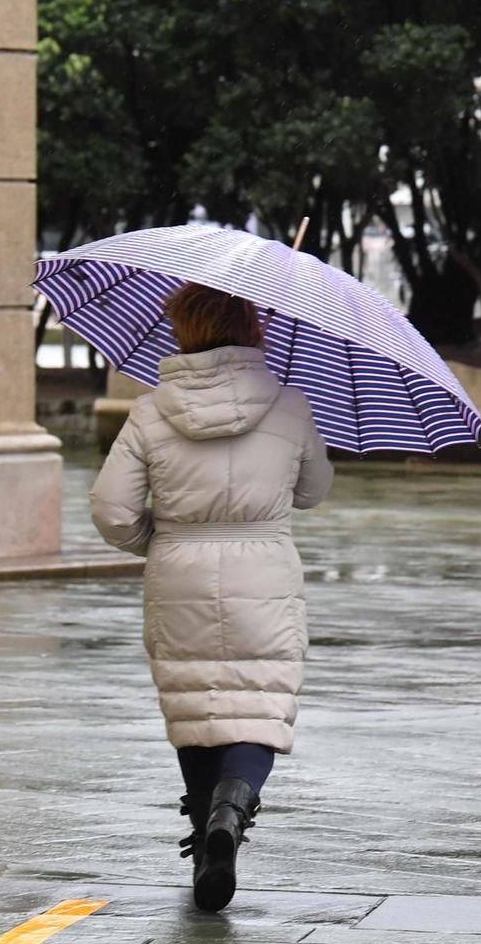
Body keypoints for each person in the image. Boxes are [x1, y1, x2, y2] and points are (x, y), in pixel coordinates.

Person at [91, 283, 332, 911]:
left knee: (196, 705)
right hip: (265, 572)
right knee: (258, 703)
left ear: (183, 330)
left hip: (179, 570)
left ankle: (205, 844)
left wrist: (162, 540)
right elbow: (313, 490)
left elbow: (112, 511)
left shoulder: (150, 411)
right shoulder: (288, 404)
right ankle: (231, 809)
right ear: (254, 329)